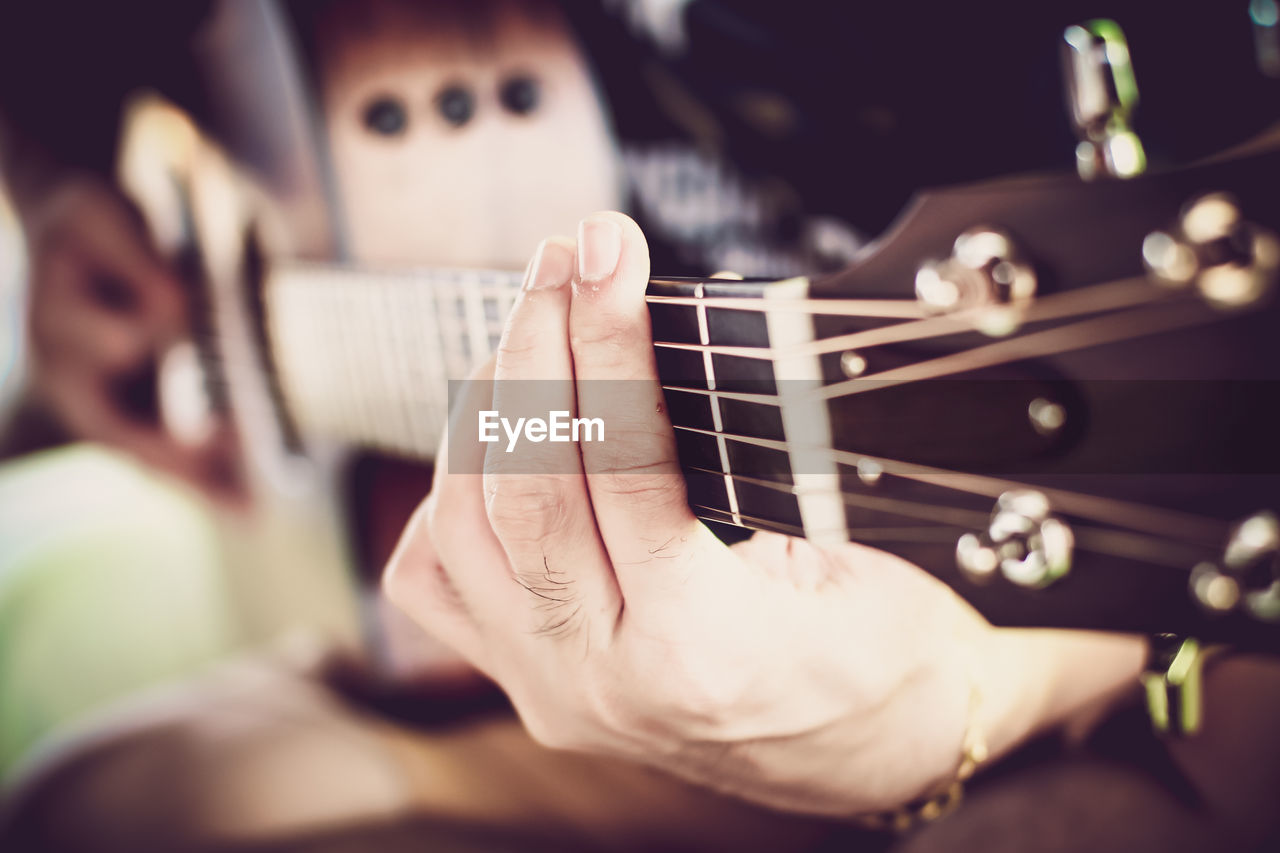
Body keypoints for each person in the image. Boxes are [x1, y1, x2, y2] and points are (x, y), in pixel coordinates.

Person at [1, 2, 1278, 851]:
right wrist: (54, 186)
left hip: (990, 628)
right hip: (493, 616)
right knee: (101, 802)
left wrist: (965, 698)